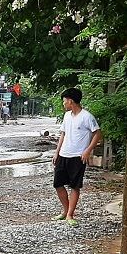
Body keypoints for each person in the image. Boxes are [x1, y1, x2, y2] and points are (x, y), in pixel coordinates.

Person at [52, 88, 101, 226]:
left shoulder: (87, 116)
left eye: (64, 101)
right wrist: (57, 152)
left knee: (74, 186)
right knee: (58, 184)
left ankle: (70, 215)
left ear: (70, 101)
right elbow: (63, 134)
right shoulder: (67, 116)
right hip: (64, 154)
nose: (63, 104)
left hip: (77, 156)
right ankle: (66, 211)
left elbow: (97, 134)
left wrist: (87, 151)